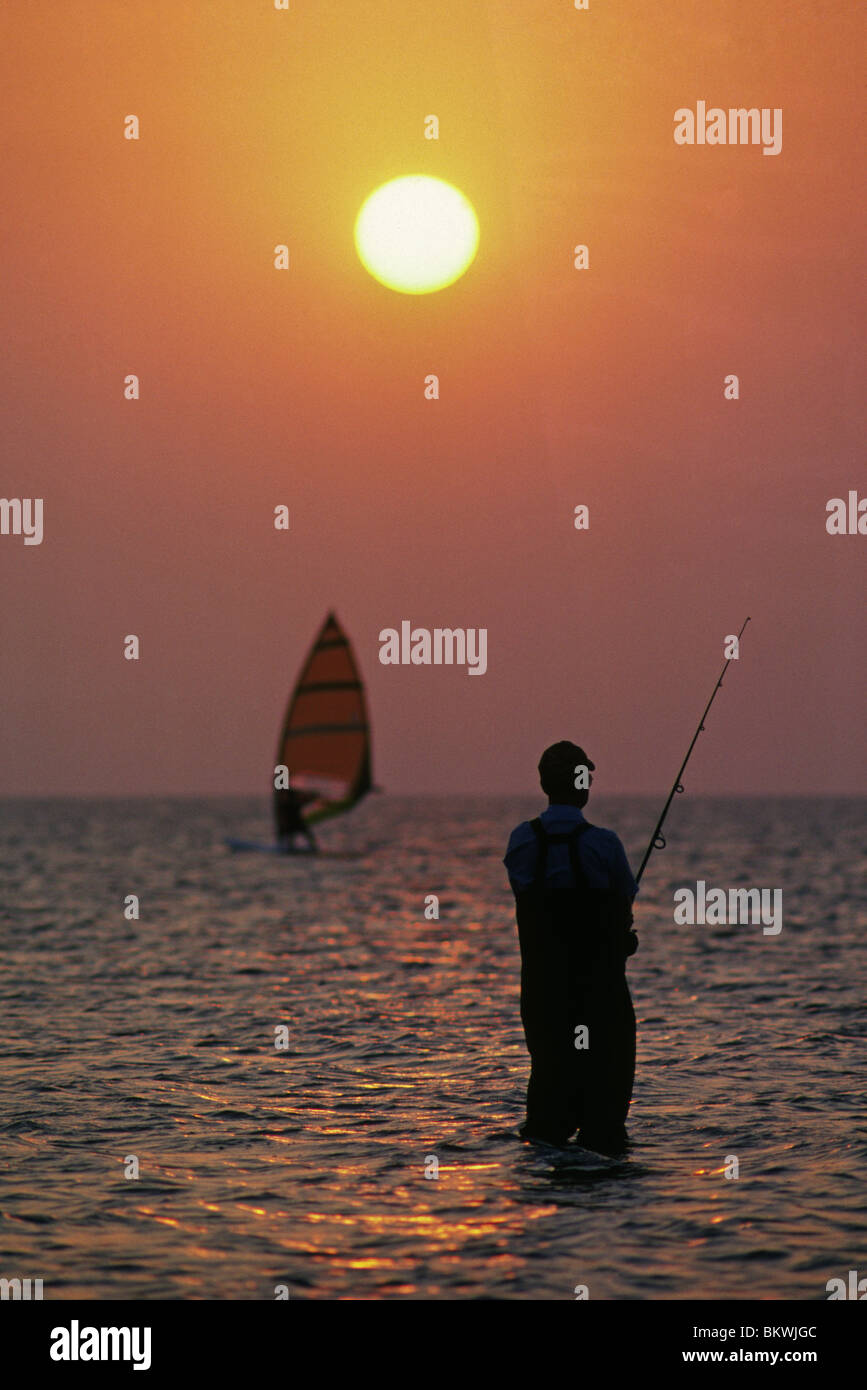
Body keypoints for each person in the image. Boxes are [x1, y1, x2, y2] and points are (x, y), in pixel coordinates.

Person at [504, 741, 638, 1153]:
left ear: (545, 784)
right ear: (581, 786)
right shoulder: (605, 844)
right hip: (601, 995)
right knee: (606, 1118)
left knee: (547, 1104)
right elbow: (623, 903)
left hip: (544, 994)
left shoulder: (521, 841)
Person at [273, 786, 319, 853]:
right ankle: (288, 849)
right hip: (287, 823)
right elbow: (296, 801)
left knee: (308, 838)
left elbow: (301, 798)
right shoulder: (282, 795)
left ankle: (313, 849)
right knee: (288, 839)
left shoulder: (290, 793)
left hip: (295, 822)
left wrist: (313, 797)